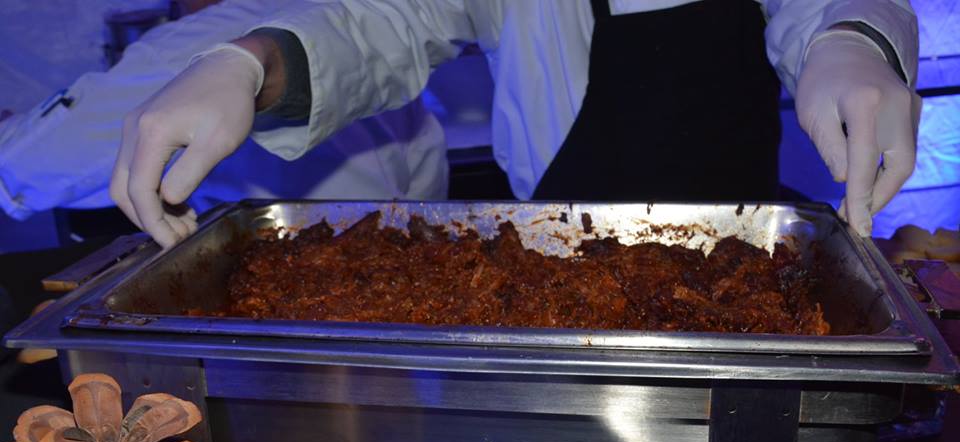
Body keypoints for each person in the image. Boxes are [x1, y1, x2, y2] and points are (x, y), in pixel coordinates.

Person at [111, 0, 922, 248]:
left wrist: (854, 38)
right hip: (549, 261)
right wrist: (255, 62)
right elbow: (382, 21)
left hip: (738, 262)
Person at [0, 0, 447, 226]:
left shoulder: (188, 46)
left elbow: (28, 166)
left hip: (286, 304)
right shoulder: (352, 16)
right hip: (415, 274)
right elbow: (424, 166)